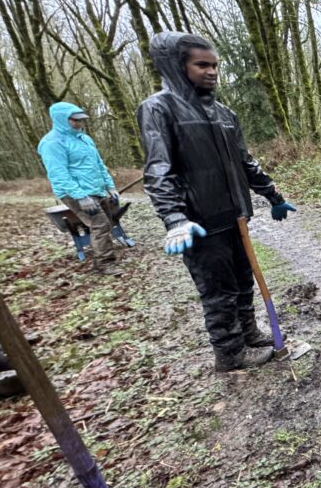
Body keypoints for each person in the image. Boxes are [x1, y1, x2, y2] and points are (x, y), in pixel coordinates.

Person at [137, 32, 297, 373]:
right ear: (178, 67)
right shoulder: (159, 108)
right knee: (218, 290)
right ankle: (229, 353)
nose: (211, 72)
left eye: (214, 65)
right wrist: (174, 218)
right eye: (201, 65)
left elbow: (244, 161)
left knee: (242, 281)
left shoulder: (224, 113)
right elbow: (158, 171)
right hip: (199, 223)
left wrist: (273, 196)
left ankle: (249, 333)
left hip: (235, 217)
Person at [37, 103, 123, 276]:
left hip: (95, 188)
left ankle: (104, 259)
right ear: (62, 119)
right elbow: (59, 174)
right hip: (74, 192)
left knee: (107, 221)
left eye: (82, 119)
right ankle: (104, 264)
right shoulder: (52, 143)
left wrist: (110, 186)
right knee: (100, 224)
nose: (80, 123)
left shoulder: (84, 139)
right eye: (75, 120)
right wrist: (81, 196)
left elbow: (99, 164)